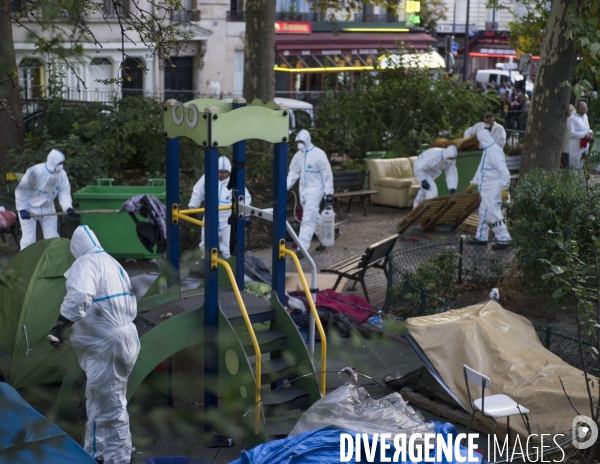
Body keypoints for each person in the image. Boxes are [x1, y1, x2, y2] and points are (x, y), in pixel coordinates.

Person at [48, 225, 140, 464]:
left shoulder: (87, 263)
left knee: (106, 407)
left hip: (107, 346)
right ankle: (106, 454)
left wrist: (61, 325)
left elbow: (79, 296)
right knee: (109, 402)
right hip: (124, 339)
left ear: (76, 248)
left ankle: (108, 458)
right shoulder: (111, 262)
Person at [188, 156, 252, 259]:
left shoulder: (234, 181)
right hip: (210, 218)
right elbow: (197, 191)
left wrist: (246, 214)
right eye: (221, 172)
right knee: (206, 243)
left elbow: (244, 197)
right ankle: (205, 266)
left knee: (227, 245)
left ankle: (227, 268)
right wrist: (193, 206)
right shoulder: (207, 178)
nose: (224, 174)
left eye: (226, 172)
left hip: (226, 219)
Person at [15, 149, 76, 249]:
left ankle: (53, 262)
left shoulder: (62, 175)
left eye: (62, 163)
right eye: (60, 163)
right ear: (53, 162)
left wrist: (68, 208)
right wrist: (22, 209)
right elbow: (21, 191)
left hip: (48, 209)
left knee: (52, 239)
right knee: (29, 240)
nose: (61, 165)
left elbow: (64, 193)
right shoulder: (35, 172)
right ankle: (26, 262)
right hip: (29, 208)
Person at [287, 129, 334, 257]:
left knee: (308, 218)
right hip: (303, 191)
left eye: (301, 141)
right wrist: (286, 185)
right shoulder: (298, 155)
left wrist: (329, 192)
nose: (299, 144)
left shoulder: (319, 154)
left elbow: (327, 175)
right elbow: (293, 172)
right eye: (297, 142)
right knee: (314, 216)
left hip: (316, 188)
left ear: (307, 140)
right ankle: (324, 239)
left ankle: (302, 248)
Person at [468, 130, 511, 250]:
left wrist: (505, 188)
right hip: (486, 190)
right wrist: (473, 182)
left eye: (480, 140)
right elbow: (481, 169)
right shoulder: (487, 151)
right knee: (483, 212)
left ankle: (504, 239)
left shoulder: (494, 151)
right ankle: (481, 237)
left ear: (483, 139)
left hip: (493, 190)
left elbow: (504, 172)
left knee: (493, 213)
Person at [567, 101, 594, 170]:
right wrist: (584, 135)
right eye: (586, 107)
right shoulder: (571, 118)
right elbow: (571, 133)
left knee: (582, 165)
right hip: (576, 145)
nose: (587, 109)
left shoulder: (585, 116)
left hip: (584, 145)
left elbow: (587, 128)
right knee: (574, 164)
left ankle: (579, 179)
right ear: (580, 109)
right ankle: (573, 180)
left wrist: (590, 132)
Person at [561, 104, 577, 168]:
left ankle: (568, 173)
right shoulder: (577, 117)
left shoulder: (569, 119)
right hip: (573, 144)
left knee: (567, 158)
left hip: (567, 142)